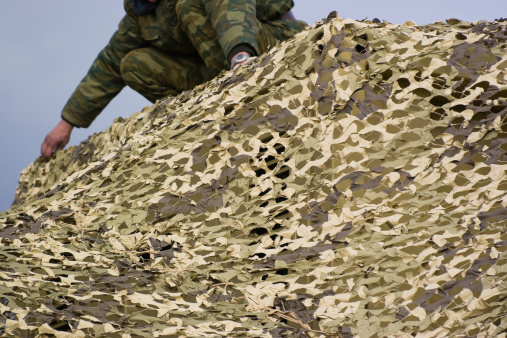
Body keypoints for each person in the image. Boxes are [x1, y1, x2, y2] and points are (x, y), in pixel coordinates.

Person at [40, 0, 306, 159]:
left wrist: (240, 56)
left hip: (269, 48)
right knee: (132, 64)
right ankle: (205, 112)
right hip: (220, 74)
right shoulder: (142, 14)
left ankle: (241, 66)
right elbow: (107, 66)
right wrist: (67, 123)